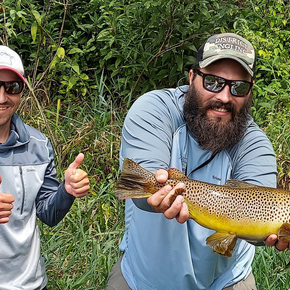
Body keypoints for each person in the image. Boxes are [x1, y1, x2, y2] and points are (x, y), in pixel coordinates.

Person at [106, 32, 287, 290]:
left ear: (249, 92)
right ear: (192, 78)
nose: (224, 96)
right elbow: (140, 188)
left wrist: (271, 236)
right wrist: (153, 191)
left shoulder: (255, 143)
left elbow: (261, 228)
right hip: (144, 277)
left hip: (225, 279)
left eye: (238, 87)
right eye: (213, 82)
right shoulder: (154, 110)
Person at [0, 45, 90, 289]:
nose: (2, 97)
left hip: (29, 283)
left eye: (12, 87)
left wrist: (66, 191)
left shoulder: (39, 146)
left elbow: (48, 213)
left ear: (22, 89)